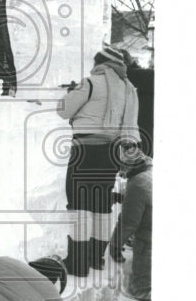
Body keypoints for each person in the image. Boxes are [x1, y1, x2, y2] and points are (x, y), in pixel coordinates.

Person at [56, 41, 140, 276]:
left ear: (100, 63)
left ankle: (78, 263)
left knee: (79, 206)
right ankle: (96, 258)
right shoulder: (128, 88)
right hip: (111, 153)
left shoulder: (90, 83)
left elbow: (63, 110)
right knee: (101, 206)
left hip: (84, 151)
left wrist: (71, 92)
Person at [109, 146, 152, 301]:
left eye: (124, 168)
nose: (122, 173)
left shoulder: (137, 183)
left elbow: (128, 222)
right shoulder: (151, 170)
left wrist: (114, 245)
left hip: (149, 241)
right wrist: (124, 197)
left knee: (141, 289)